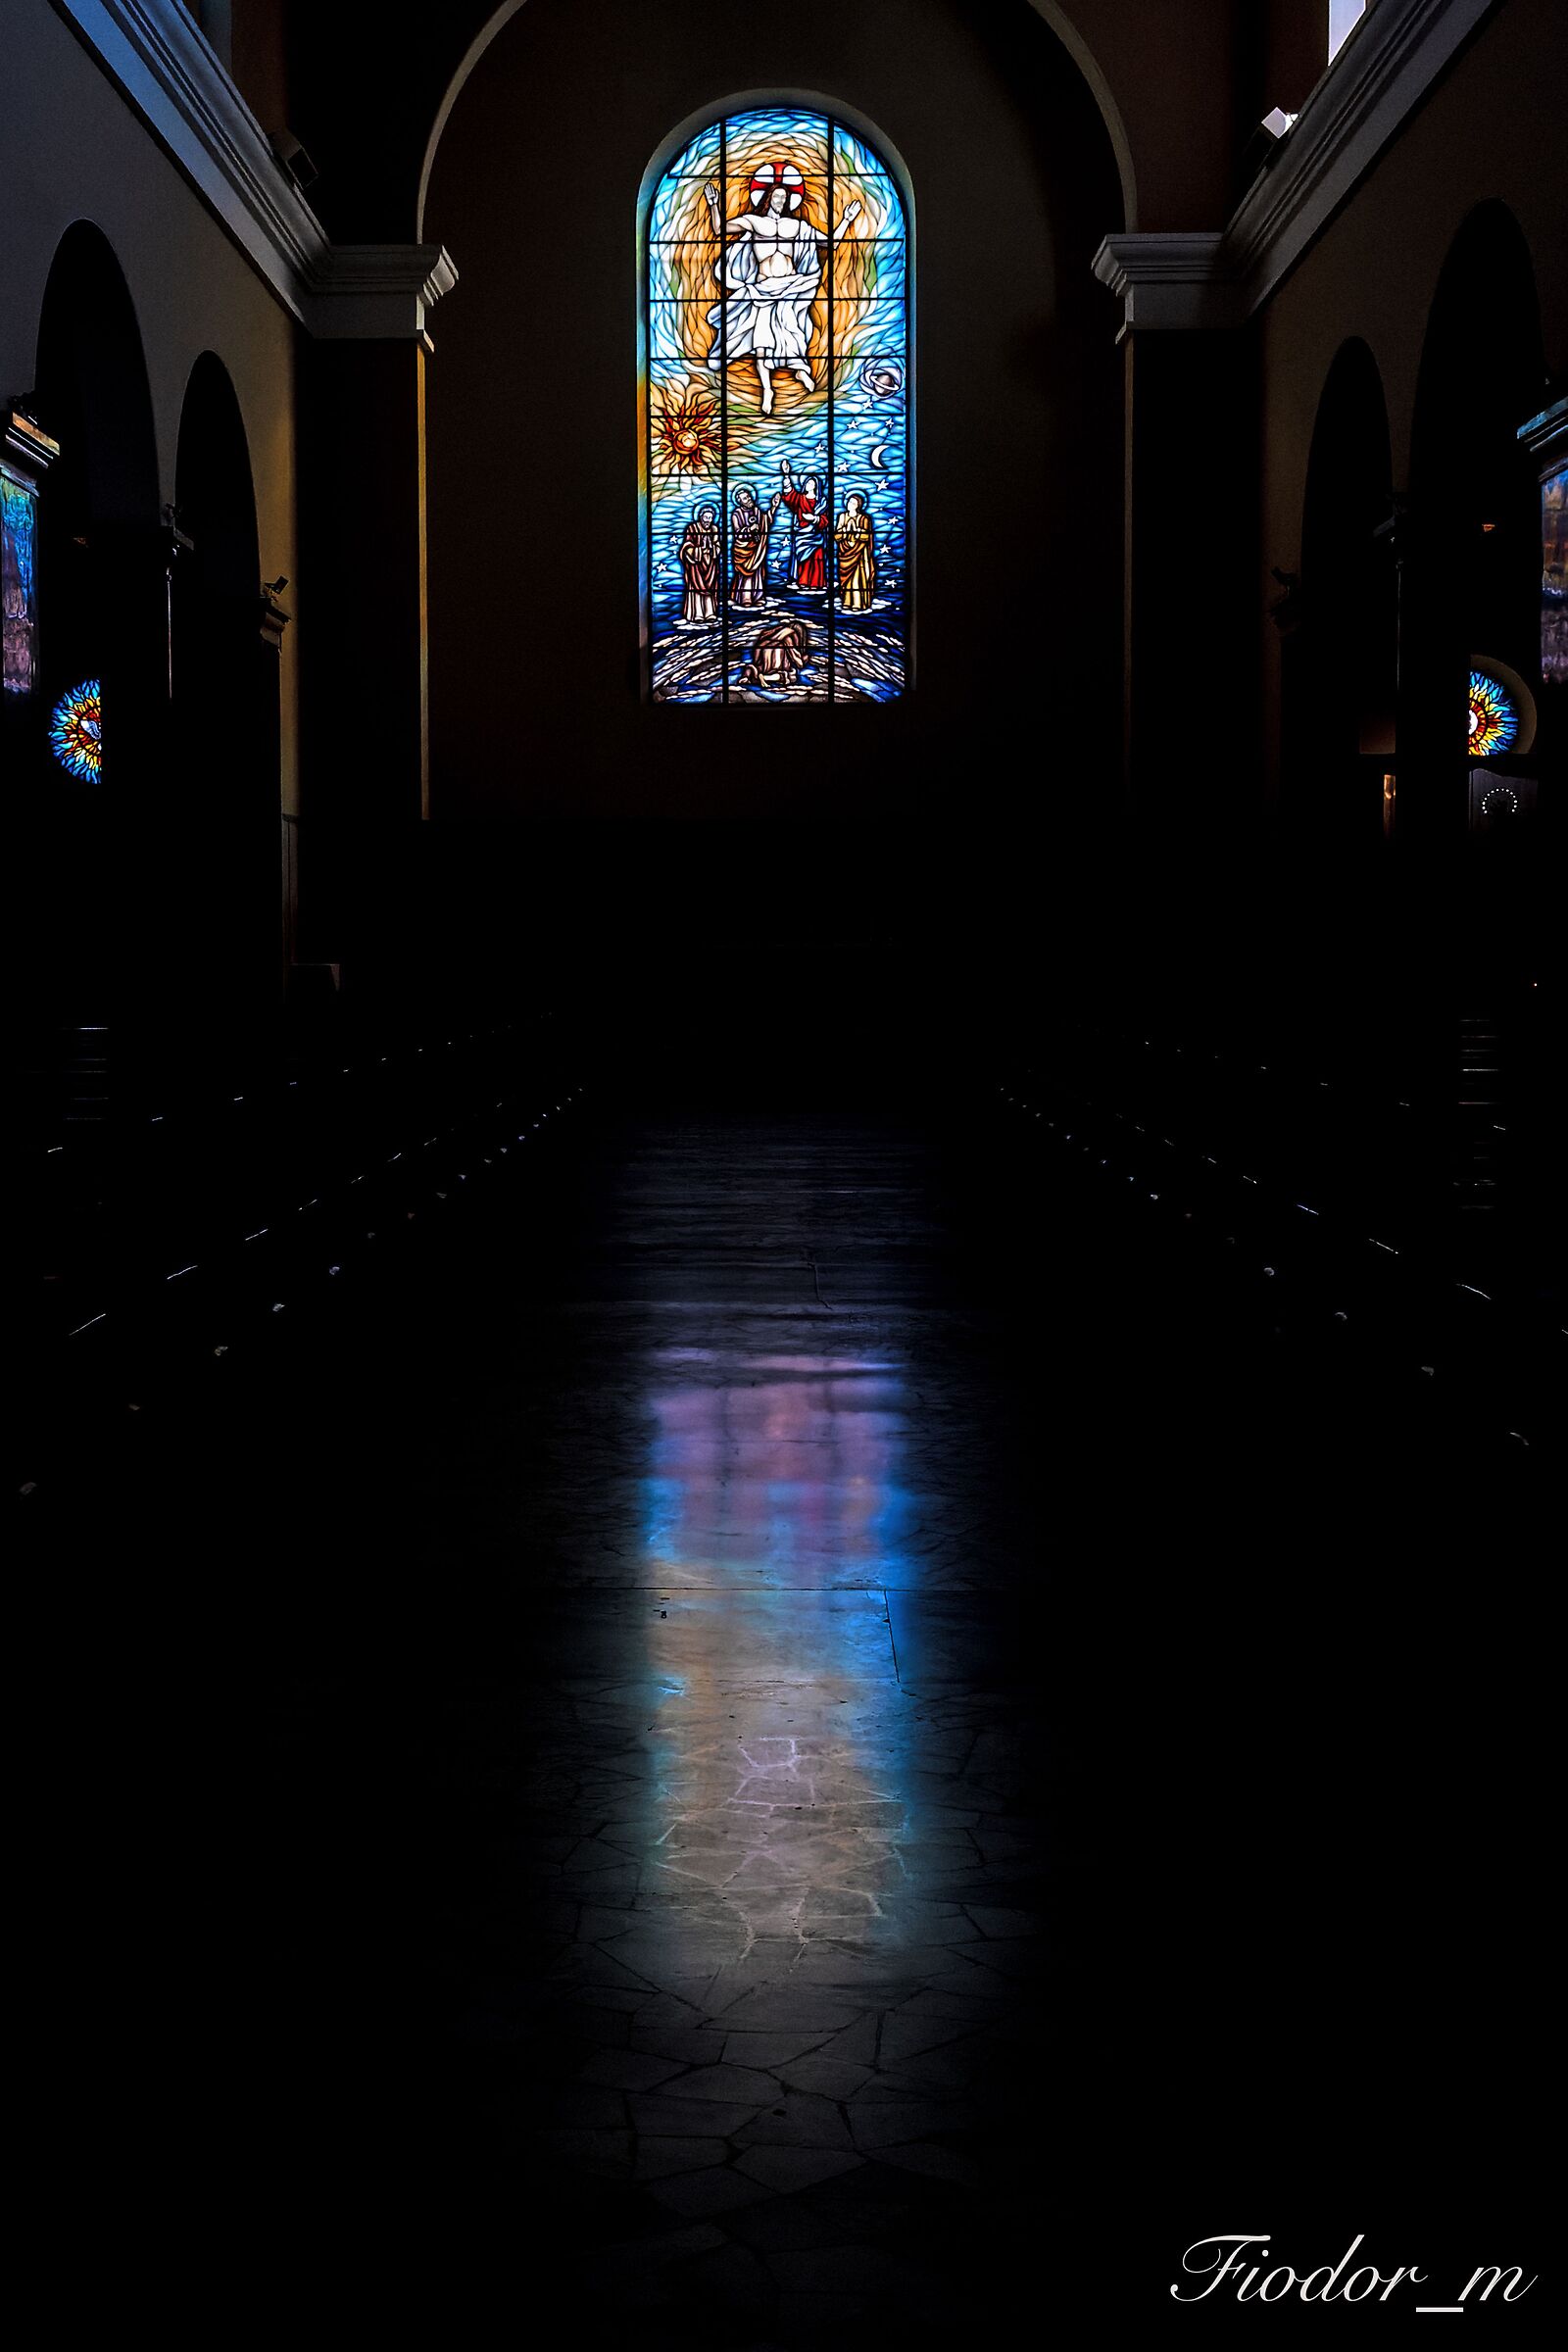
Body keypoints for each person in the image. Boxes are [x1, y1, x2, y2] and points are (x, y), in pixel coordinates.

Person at [705, 164, 860, 416]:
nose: (780, 200)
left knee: (793, 332)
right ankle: (767, 390)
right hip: (763, 288)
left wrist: (846, 220)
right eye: (776, 196)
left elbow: (829, 243)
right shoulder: (754, 222)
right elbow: (721, 230)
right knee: (762, 340)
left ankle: (800, 370)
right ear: (768, 198)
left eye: (784, 197)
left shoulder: (796, 226)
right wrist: (713, 204)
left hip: (791, 286)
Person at [778, 462, 827, 591]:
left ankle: (816, 583)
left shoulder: (822, 502)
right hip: (802, 535)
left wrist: (815, 519)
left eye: (812, 483)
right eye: (808, 483)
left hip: (816, 536)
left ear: (816, 486)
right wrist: (787, 475)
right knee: (803, 560)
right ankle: (803, 582)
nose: (809, 485)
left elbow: (825, 520)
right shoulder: (800, 498)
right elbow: (789, 496)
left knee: (817, 559)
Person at [730, 485, 775, 606]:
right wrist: (749, 529)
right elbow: (737, 533)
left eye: (748, 496)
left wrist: (774, 507)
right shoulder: (736, 514)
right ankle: (745, 598)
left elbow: (766, 521)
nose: (749, 499)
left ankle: (758, 596)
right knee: (746, 573)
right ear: (739, 501)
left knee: (757, 573)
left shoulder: (756, 511)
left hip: (756, 547)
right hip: (743, 549)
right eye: (745, 498)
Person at [678, 504, 719, 621]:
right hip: (696, 565)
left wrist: (712, 548)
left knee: (710, 590)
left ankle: (710, 613)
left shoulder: (714, 529)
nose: (708, 521)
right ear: (700, 517)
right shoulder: (692, 528)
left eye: (710, 518)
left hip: (710, 563)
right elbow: (687, 546)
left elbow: (717, 546)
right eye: (706, 518)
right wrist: (699, 550)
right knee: (695, 589)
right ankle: (697, 614)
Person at [834, 493, 876, 610]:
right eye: (849, 502)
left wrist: (857, 531)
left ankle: (858, 603)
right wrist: (845, 530)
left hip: (860, 552)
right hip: (845, 551)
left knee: (858, 577)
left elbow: (867, 537)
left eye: (853, 503)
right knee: (847, 580)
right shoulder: (842, 517)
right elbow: (836, 536)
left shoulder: (864, 518)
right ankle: (847, 602)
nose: (850, 504)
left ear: (858, 505)